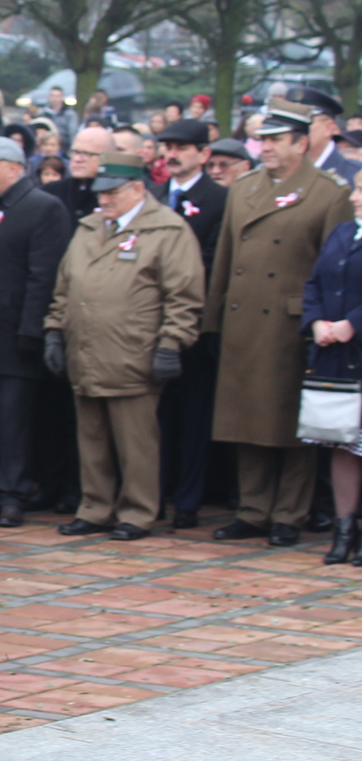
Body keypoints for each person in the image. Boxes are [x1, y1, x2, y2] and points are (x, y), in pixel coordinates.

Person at [207, 96, 352, 547]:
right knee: (245, 418)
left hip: (294, 324)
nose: (264, 147)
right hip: (243, 320)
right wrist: (213, 319)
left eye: (274, 140)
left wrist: (327, 324)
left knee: (291, 424)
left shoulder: (328, 192)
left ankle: (290, 513)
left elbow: (337, 268)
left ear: (301, 143)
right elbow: (225, 262)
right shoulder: (244, 188)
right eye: (262, 139)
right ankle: (253, 509)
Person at [45, 153, 205, 541]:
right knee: (92, 438)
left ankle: (138, 511)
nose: (104, 200)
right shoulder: (89, 227)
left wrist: (171, 344)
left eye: (113, 193)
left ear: (138, 189)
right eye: (101, 193)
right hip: (86, 350)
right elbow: (65, 286)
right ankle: (95, 507)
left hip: (134, 351)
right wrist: (54, 330)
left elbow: (184, 296)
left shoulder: (168, 230)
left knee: (136, 442)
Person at [0, 137, 72, 528]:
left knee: (13, 422)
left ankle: (13, 495)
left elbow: (44, 277)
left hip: (14, 339)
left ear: (14, 167)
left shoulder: (43, 209)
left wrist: (31, 334)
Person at [150, 119, 229, 527]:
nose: (172, 154)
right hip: (150, 324)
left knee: (194, 417)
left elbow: (216, 264)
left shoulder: (219, 199)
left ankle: (188, 502)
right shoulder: (154, 195)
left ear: (203, 153)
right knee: (156, 418)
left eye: (182, 147)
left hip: (194, 325)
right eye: (167, 146)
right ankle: (155, 496)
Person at [303, 173, 362, 564]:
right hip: (337, 358)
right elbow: (314, 283)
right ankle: (344, 530)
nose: (355, 197)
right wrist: (317, 320)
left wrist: (353, 322)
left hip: (356, 344)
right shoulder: (343, 232)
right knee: (343, 444)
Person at [43, 125, 113, 222]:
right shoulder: (50, 193)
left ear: (105, 158)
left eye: (87, 153)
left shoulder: (114, 198)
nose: (77, 159)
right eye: (75, 152)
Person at [300, 89, 359, 184]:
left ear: (329, 128)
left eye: (307, 122)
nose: (298, 129)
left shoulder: (354, 174)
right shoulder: (279, 170)